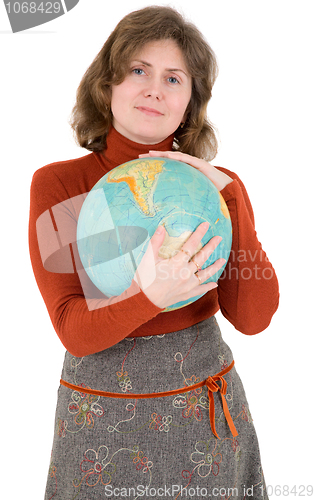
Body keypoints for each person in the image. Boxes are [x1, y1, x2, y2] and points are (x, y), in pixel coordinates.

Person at [29, 6, 279, 499]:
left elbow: (253, 318)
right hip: (99, 427)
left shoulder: (218, 191)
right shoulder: (59, 185)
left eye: (174, 78)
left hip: (204, 424)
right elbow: (74, 329)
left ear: (189, 103)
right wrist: (152, 293)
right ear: (108, 85)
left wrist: (233, 197)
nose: (154, 89)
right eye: (139, 70)